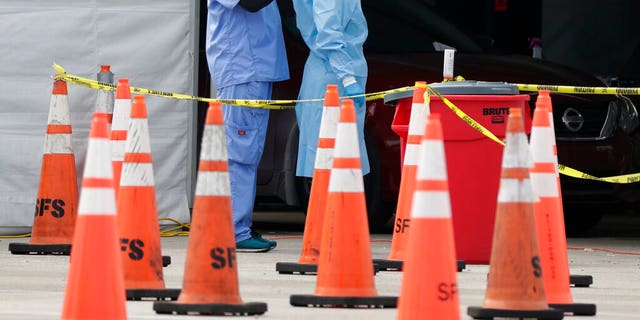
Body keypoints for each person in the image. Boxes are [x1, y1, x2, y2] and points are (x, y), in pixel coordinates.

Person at [206, 0, 289, 252]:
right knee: (240, 150)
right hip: (243, 68)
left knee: (248, 150)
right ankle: (234, 229)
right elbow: (252, 3)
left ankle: (238, 225)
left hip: (254, 67)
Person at [292, 0, 370, 181]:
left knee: (342, 161)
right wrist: (347, 77)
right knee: (331, 163)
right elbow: (327, 29)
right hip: (335, 77)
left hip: (335, 73)